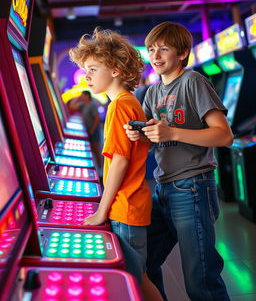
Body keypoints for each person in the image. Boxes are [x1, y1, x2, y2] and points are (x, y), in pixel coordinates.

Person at [124, 21, 233, 301]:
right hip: (163, 189)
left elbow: (224, 135)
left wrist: (170, 131)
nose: (155, 56)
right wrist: (138, 135)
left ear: (183, 53)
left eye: (164, 49)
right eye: (151, 49)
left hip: (193, 186)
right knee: (143, 263)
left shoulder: (193, 81)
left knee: (201, 280)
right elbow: (151, 140)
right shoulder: (152, 91)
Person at [69, 27, 164, 301]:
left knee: (135, 280)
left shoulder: (119, 105)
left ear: (115, 69)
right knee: (138, 276)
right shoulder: (127, 101)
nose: (86, 76)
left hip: (125, 205)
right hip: (131, 202)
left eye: (92, 68)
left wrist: (102, 210)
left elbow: (120, 162)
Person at [68, 91, 102, 170]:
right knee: (92, 150)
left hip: (94, 130)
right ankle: (97, 168)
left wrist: (92, 130)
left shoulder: (92, 105)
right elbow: (71, 106)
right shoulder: (83, 105)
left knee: (96, 149)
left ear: (87, 96)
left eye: (83, 96)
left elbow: (97, 118)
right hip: (88, 130)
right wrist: (78, 98)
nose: (82, 97)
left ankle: (101, 170)